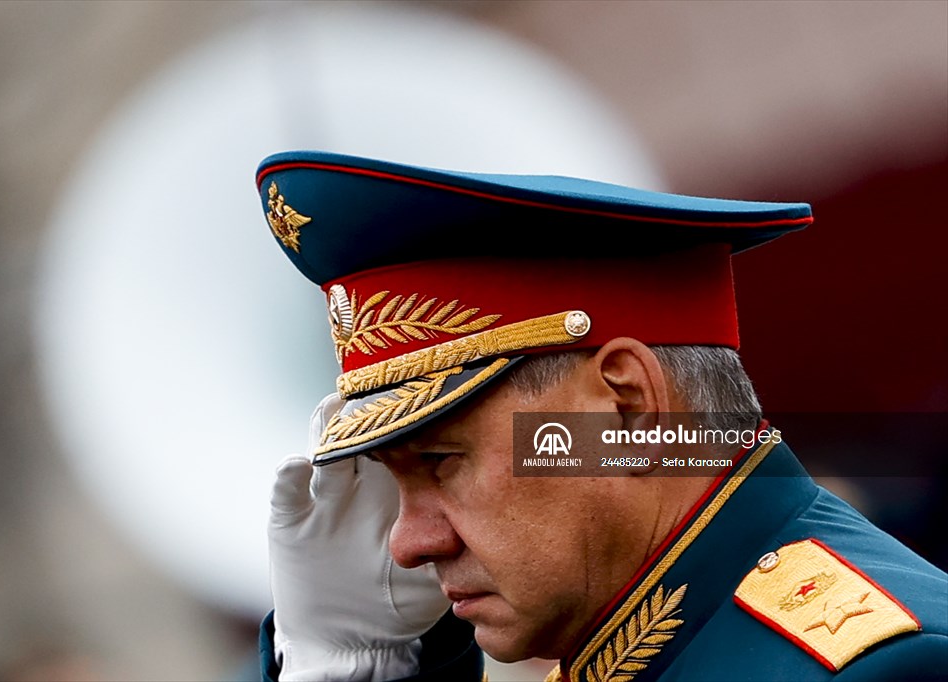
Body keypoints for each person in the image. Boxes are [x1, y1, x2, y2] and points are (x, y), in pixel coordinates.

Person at [254, 151, 947, 681]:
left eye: (440, 461)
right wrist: (363, 668)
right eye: (396, 479)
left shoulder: (886, 668)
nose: (408, 544)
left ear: (628, 408)